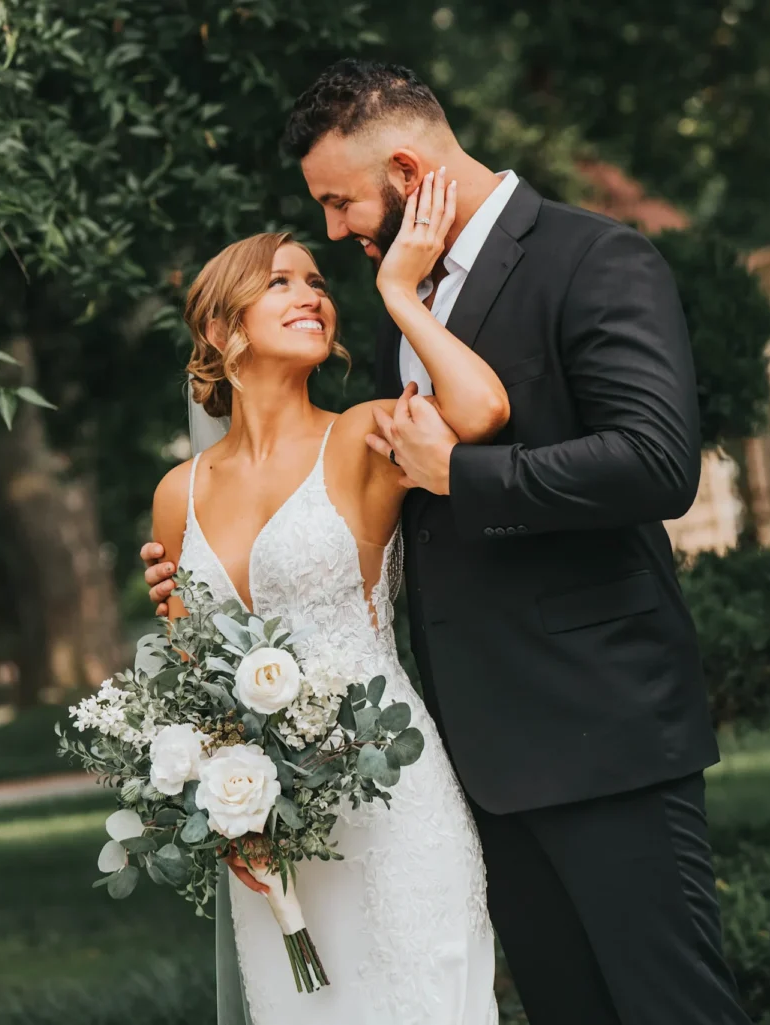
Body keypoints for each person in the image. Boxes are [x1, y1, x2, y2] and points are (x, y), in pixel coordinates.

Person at [142, 59, 753, 1025]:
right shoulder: (406, 302)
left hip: (604, 728)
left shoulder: (593, 258)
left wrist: (462, 476)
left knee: (671, 1008)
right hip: (472, 757)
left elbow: (656, 464)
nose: (336, 231)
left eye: (340, 202)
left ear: (404, 165)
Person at [150, 170, 505, 1023]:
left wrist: (398, 292)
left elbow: (483, 410)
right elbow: (194, 678)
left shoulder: (362, 436)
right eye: (280, 282)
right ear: (218, 326)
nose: (311, 294)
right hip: (269, 835)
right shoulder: (177, 491)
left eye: (316, 282)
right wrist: (219, 801)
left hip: (391, 808)